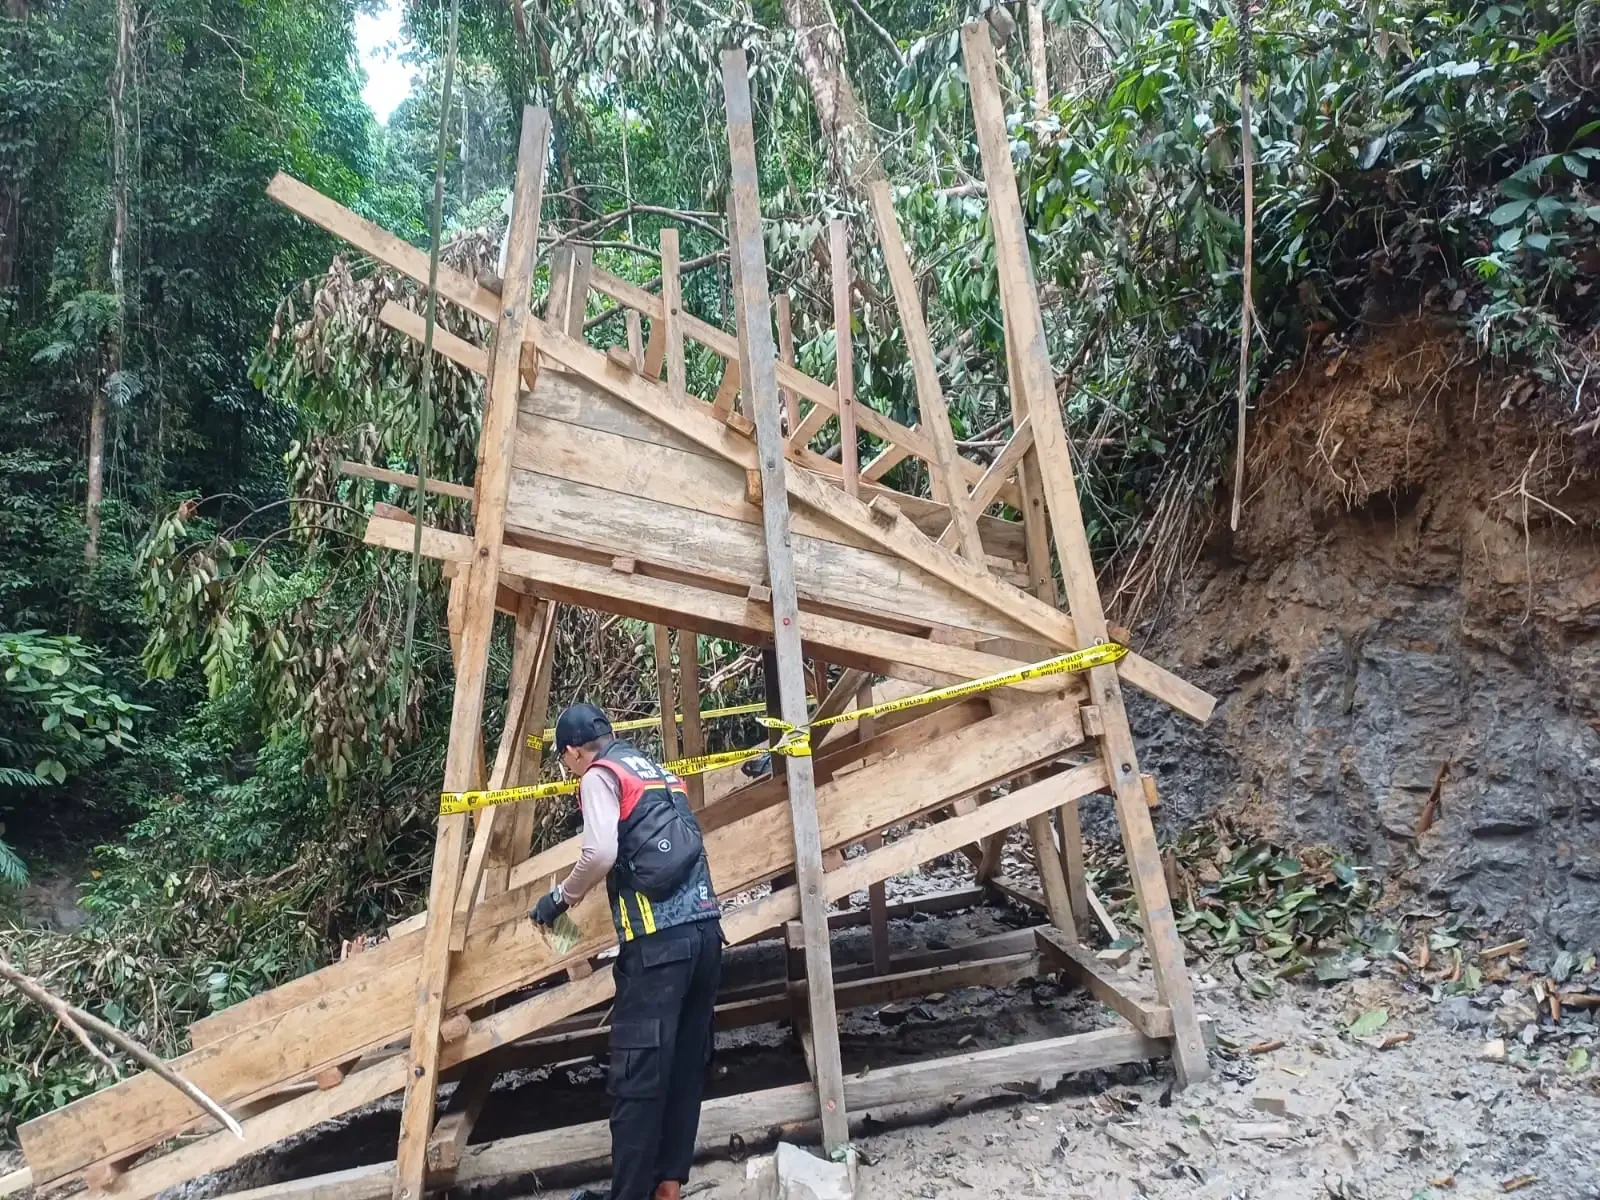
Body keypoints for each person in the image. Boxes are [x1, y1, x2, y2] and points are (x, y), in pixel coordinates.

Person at [530, 703, 723, 1200]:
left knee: (636, 1080)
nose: (569, 768)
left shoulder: (599, 775)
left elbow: (600, 854)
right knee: (682, 1069)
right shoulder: (652, 769)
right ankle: (668, 1187)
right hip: (705, 934)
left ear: (572, 751)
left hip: (658, 948)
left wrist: (558, 900)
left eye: (564, 760)